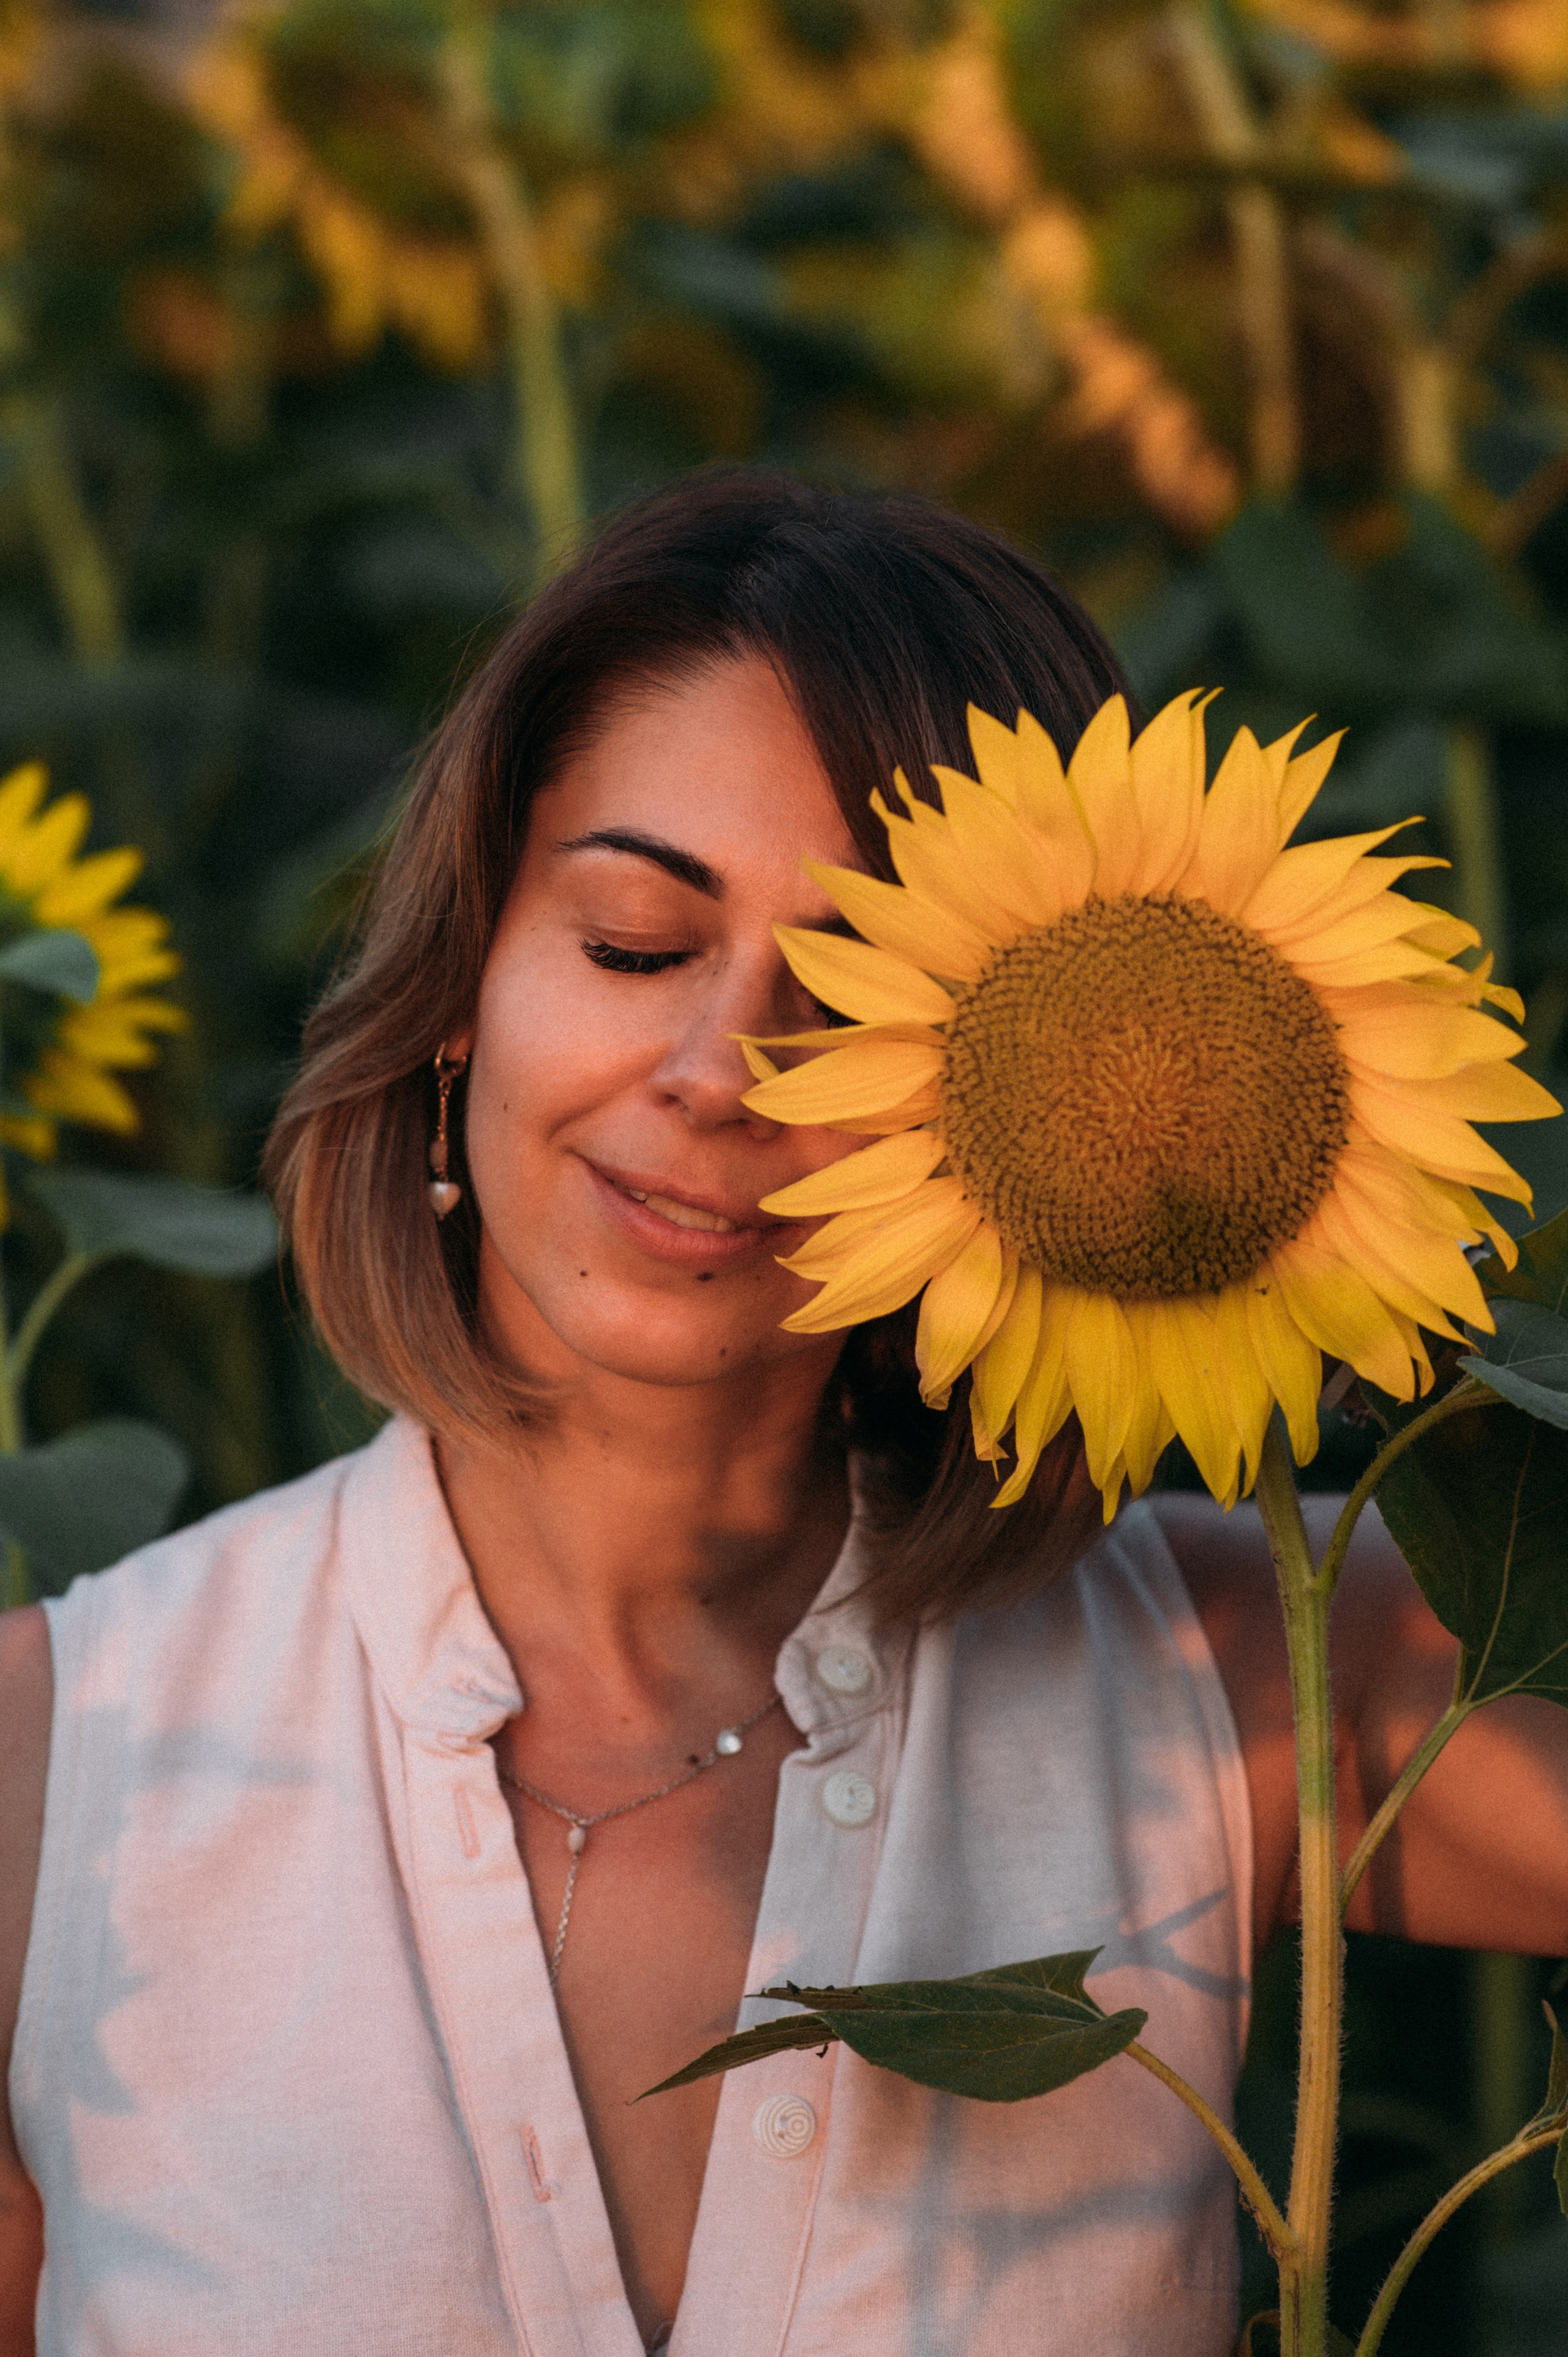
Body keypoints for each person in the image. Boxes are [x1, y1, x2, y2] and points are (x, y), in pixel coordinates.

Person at [0, 470, 1564, 2357]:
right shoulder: (51, 1767)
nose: (720, 1074)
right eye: (633, 943)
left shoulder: (1242, 1674)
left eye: (846, 1000)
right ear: (461, 989)